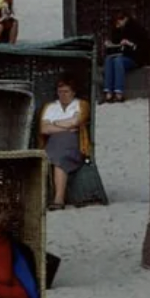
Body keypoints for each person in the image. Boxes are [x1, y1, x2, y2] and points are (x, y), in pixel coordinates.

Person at [38, 77, 89, 210]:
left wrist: (54, 123)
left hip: (73, 142)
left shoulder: (81, 104)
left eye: (66, 91)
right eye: (60, 91)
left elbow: (76, 122)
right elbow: (44, 129)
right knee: (55, 154)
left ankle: (59, 199)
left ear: (73, 92)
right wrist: (64, 125)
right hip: (53, 142)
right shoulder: (50, 107)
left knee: (60, 158)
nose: (63, 95)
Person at [101, 12, 142, 103]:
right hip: (118, 56)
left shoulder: (136, 29)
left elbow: (142, 47)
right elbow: (114, 47)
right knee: (109, 60)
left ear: (125, 19)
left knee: (117, 61)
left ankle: (119, 93)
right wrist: (110, 44)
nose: (118, 23)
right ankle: (108, 93)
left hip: (133, 58)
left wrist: (129, 43)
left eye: (120, 21)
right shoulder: (116, 30)